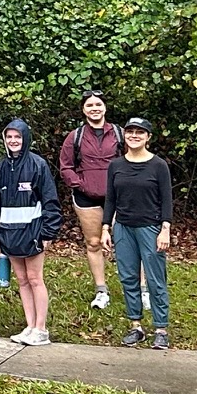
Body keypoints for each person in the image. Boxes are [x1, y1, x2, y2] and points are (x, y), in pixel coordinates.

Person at [104, 117, 174, 347]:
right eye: (130, 131)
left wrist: (165, 229)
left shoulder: (158, 165)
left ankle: (161, 328)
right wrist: (106, 228)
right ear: (124, 135)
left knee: (155, 279)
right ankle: (136, 326)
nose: (134, 136)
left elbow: (166, 200)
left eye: (140, 132)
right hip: (123, 228)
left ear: (148, 137)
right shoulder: (116, 165)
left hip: (150, 228)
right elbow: (110, 199)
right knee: (128, 278)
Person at [0, 119, 63, 345]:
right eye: (9, 137)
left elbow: (50, 201)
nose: (13, 141)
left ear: (25, 138)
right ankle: (30, 325)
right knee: (22, 280)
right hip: (9, 232)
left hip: (32, 232)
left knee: (34, 278)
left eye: (18, 137)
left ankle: (41, 329)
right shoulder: (2, 166)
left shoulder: (38, 164)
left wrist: (48, 232)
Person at [58, 91, 124, 311]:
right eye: (89, 105)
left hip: (119, 196)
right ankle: (101, 290)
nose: (94, 108)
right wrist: (81, 184)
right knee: (94, 243)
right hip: (87, 198)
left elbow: (133, 160)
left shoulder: (119, 133)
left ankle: (140, 289)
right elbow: (66, 167)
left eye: (98, 104)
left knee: (127, 242)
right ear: (83, 110)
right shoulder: (75, 137)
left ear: (105, 107)